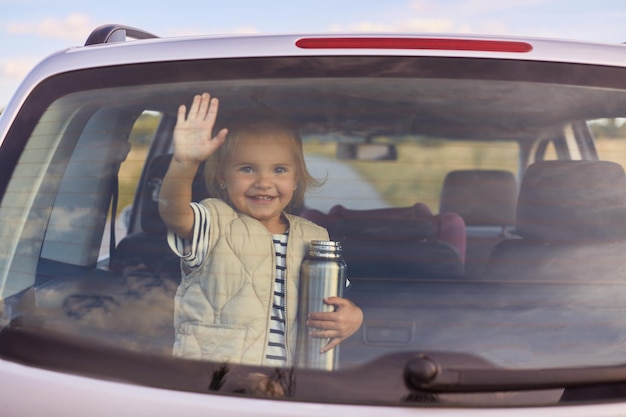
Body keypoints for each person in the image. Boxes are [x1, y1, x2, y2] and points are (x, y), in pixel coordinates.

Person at [159, 92, 363, 367]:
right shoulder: (214, 221)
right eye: (247, 169)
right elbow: (174, 213)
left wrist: (353, 317)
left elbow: (334, 301)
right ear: (222, 176)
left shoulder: (315, 237)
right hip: (215, 383)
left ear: (296, 178)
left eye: (279, 169)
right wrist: (185, 163)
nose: (264, 182)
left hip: (290, 386)